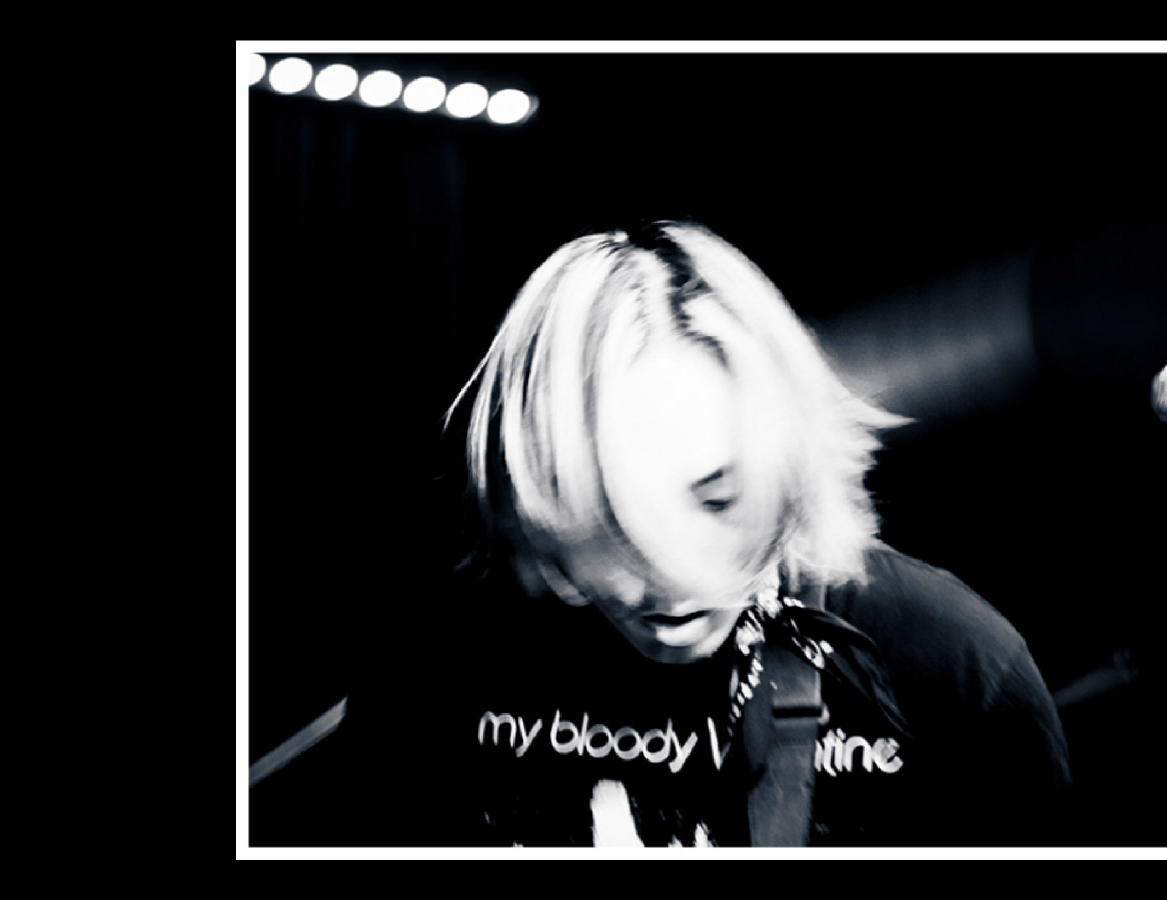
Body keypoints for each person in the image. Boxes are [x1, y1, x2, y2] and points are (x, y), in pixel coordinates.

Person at [327, 220, 1071, 848]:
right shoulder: (435, 661)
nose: (672, 572)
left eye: (717, 497)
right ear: (536, 496)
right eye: (613, 520)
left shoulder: (958, 669)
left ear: (785, 460)